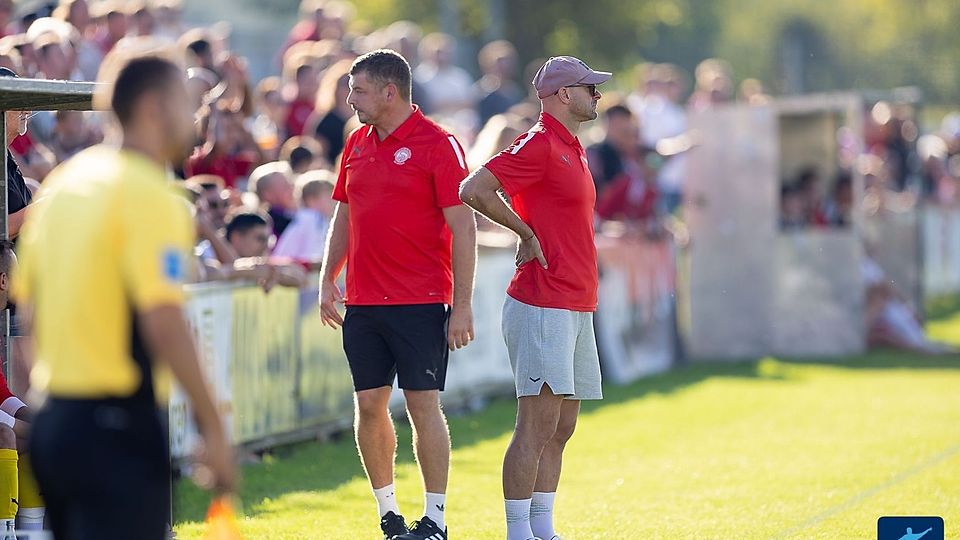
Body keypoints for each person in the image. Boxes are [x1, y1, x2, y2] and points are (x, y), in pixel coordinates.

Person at [13, 53, 235, 539]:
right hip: (114, 426)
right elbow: (163, 320)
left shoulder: (63, 186)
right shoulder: (150, 194)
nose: (195, 117)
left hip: (57, 425)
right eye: (187, 102)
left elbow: (31, 316)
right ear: (154, 106)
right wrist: (213, 426)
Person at [318, 49, 476, 540]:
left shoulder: (438, 144)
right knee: (369, 405)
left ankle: (436, 520)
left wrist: (462, 305)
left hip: (421, 301)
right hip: (363, 303)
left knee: (422, 406)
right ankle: (389, 514)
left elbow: (463, 228)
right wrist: (328, 276)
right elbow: (344, 215)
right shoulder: (356, 143)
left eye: (358, 90)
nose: (350, 99)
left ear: (391, 91)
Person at [459, 55, 609, 540]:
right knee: (536, 426)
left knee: (562, 426)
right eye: (590, 87)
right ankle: (518, 533)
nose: (597, 95)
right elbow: (474, 188)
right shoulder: (542, 142)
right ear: (563, 94)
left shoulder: (572, 146)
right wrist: (523, 231)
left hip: (575, 301)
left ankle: (542, 529)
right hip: (543, 300)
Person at [273, 170, 335, 264]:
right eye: (329, 196)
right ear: (311, 200)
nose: (335, 201)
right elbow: (314, 253)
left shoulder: (322, 219)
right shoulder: (308, 218)